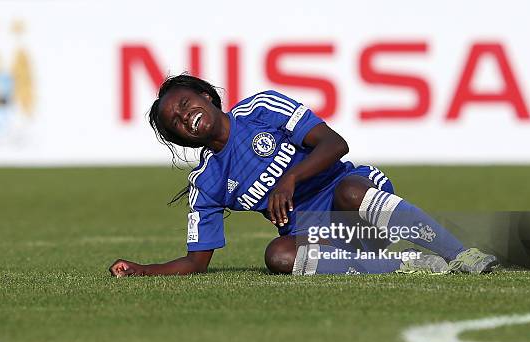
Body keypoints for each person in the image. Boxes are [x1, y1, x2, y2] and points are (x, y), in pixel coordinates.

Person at [109, 74, 498, 277]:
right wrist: (141, 269)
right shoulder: (206, 182)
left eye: (183, 102)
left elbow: (334, 143)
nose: (183, 114)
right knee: (278, 255)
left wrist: (288, 179)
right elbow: (196, 263)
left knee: (348, 190)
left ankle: (461, 254)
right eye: (174, 121)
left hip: (360, 207)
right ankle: (411, 264)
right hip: (323, 239)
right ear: (181, 137)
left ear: (206, 96)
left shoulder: (261, 108)